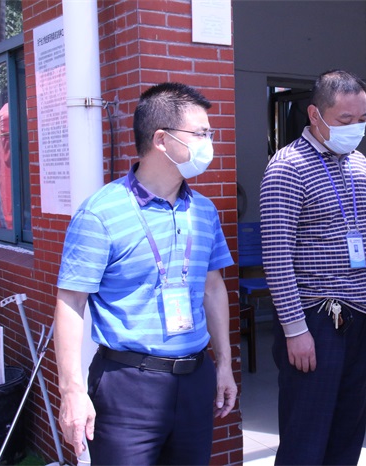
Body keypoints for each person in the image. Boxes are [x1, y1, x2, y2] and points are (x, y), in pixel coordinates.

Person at [54, 82, 237, 464]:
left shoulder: (204, 211)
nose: (208, 143)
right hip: (127, 386)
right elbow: (71, 301)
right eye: (200, 134)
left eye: (210, 134)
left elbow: (213, 288)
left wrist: (224, 365)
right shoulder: (100, 213)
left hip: (195, 378)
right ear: (161, 139)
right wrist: (71, 391)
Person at [260, 69, 366, 465]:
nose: (356, 128)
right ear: (315, 114)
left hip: (360, 315)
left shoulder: (359, 165)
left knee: (348, 430)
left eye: (363, 119)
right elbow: (276, 256)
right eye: (345, 120)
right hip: (314, 319)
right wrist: (294, 330)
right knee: (306, 434)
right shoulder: (287, 167)